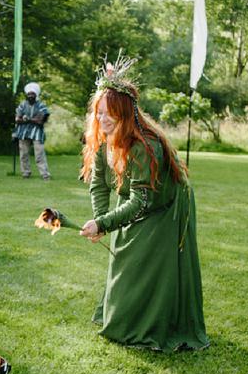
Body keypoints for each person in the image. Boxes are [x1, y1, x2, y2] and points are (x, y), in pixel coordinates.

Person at [79, 55, 209, 353]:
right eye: (99, 113)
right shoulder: (102, 141)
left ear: (127, 113)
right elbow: (99, 185)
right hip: (137, 200)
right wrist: (102, 221)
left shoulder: (145, 146)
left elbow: (142, 200)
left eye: (110, 113)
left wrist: (104, 223)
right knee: (125, 255)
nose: (103, 119)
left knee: (146, 261)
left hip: (167, 205)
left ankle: (158, 325)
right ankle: (124, 317)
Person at [13, 82, 51, 179]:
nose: (30, 96)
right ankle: (25, 173)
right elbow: (17, 119)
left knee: (39, 154)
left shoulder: (41, 106)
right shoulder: (22, 105)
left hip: (37, 133)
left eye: (32, 94)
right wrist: (31, 119)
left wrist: (27, 119)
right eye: (29, 94)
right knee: (23, 154)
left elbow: (40, 121)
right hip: (23, 133)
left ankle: (45, 174)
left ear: (36, 95)